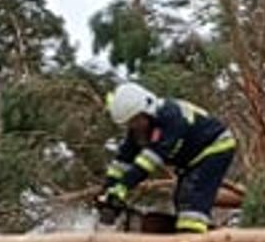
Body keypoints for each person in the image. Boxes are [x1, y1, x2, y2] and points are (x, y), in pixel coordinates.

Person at [100, 81, 237, 233]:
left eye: (136, 120)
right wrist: (108, 190)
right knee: (181, 200)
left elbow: (148, 162)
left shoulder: (170, 117)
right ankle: (198, 237)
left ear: (147, 111)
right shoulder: (138, 130)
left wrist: (122, 187)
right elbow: (122, 161)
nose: (134, 126)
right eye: (129, 123)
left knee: (192, 197)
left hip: (216, 147)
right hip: (192, 159)